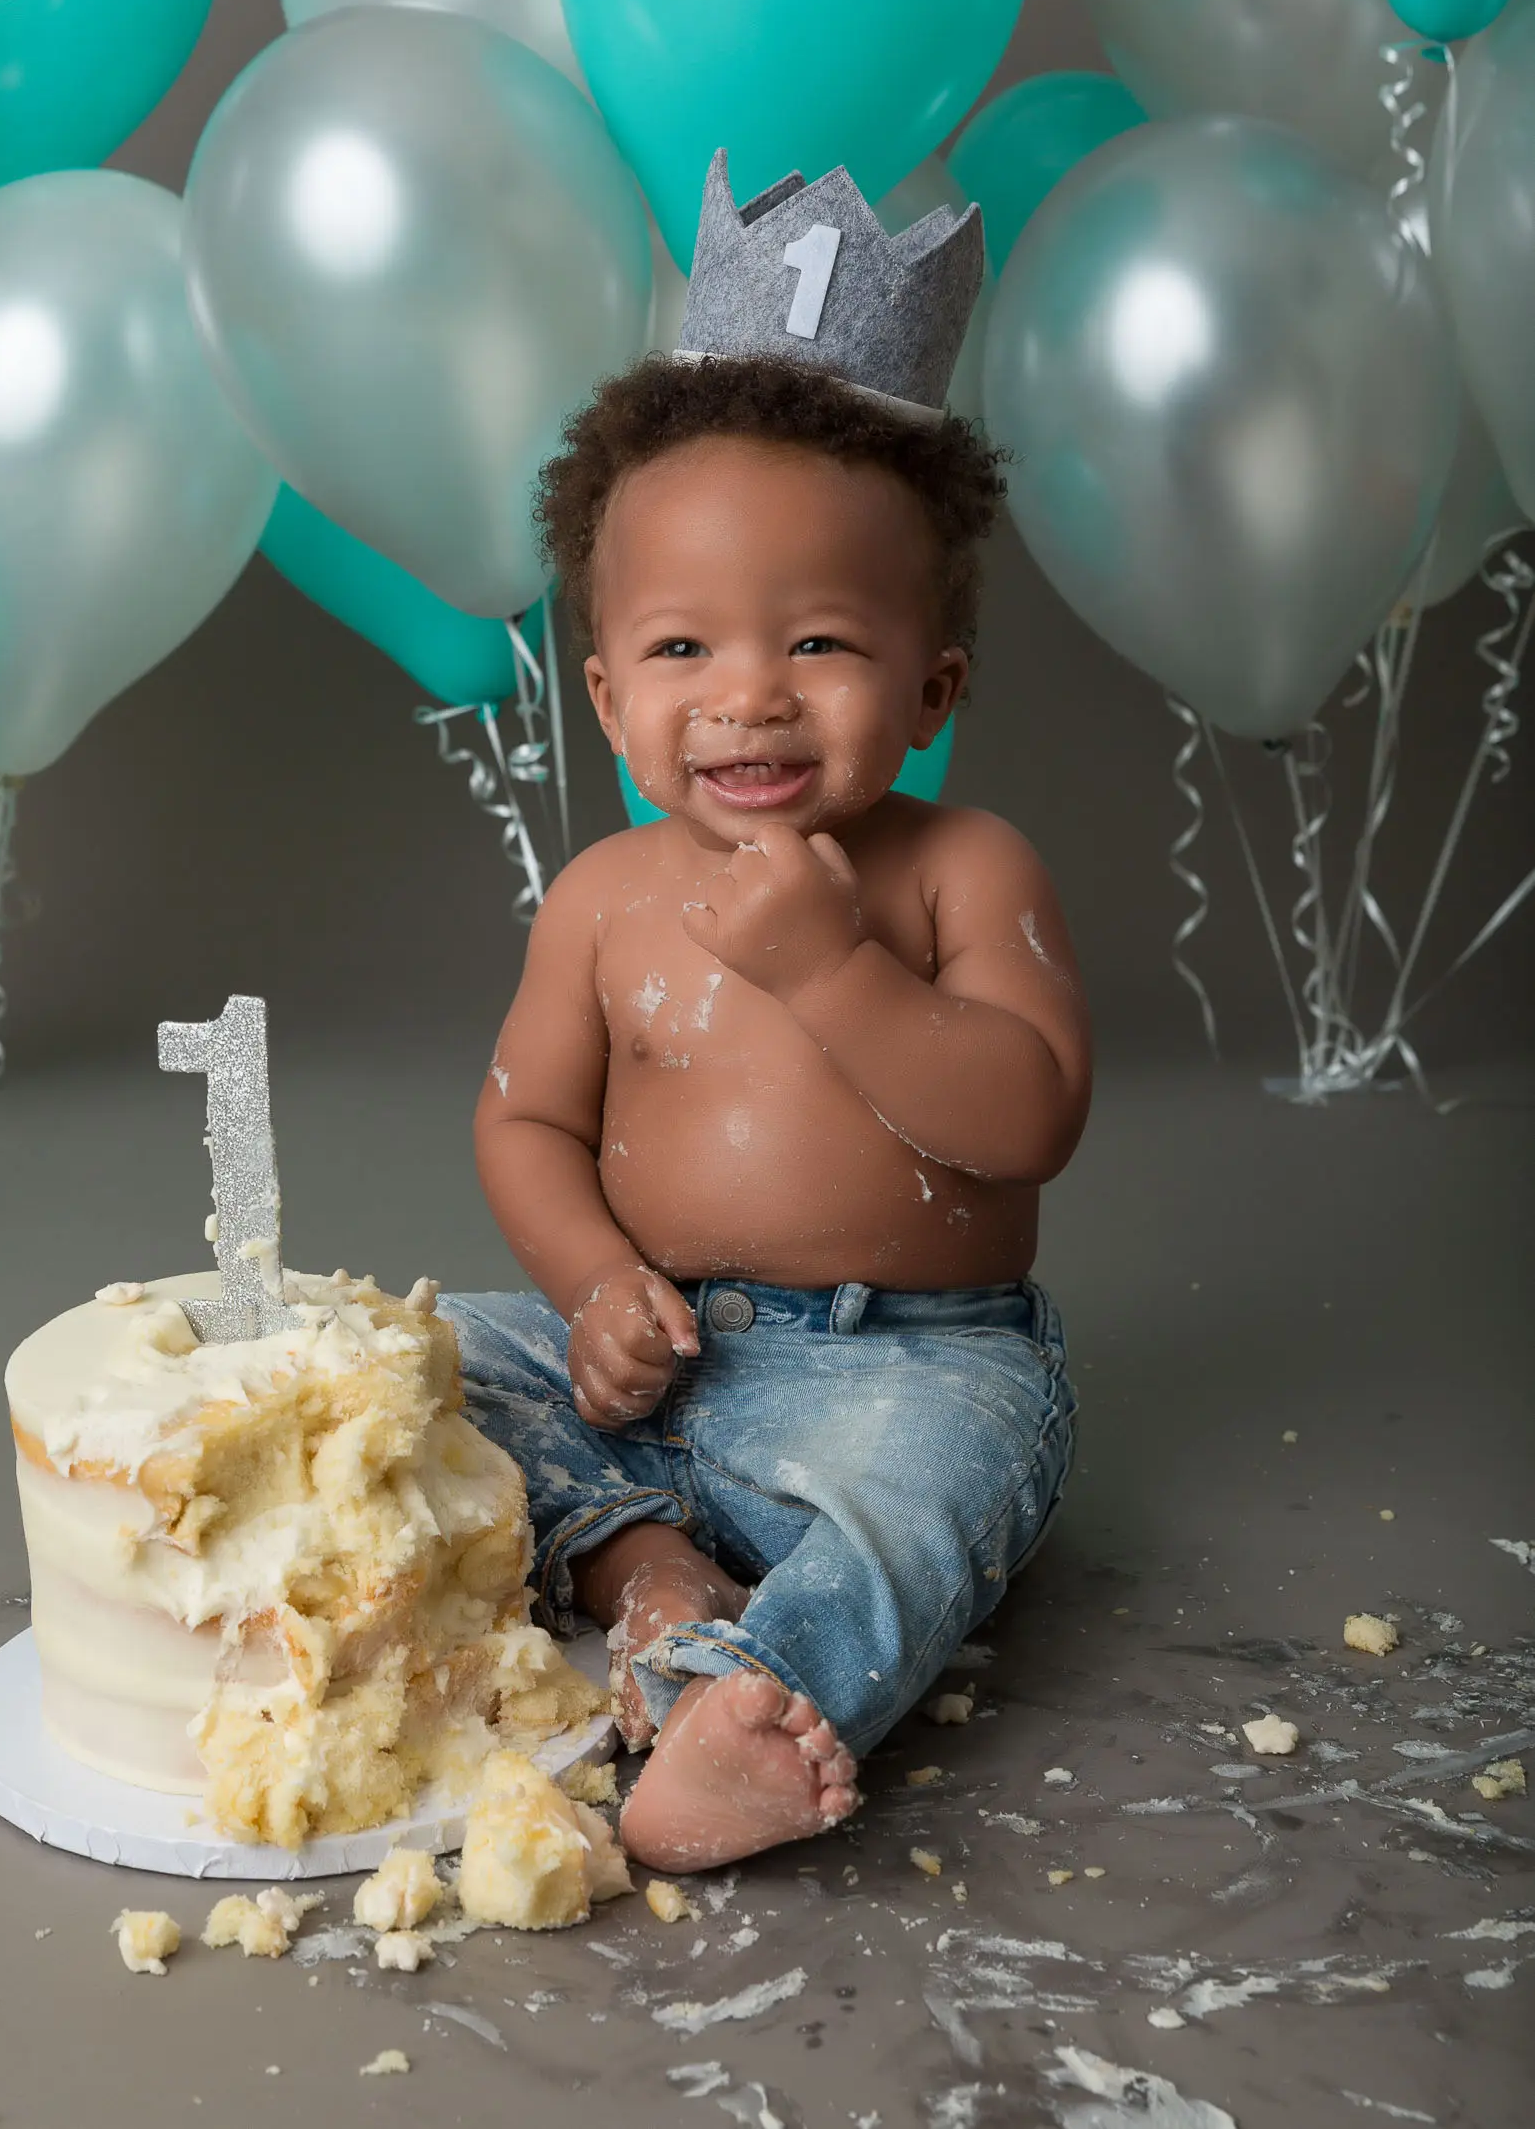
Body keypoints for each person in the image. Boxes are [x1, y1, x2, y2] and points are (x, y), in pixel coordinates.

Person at [442, 159, 1090, 1874]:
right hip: (662, 1354)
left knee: (930, 1503)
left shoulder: (961, 867)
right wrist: (593, 1293)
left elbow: (1030, 1116)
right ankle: (652, 1573)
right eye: (680, 650)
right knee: (430, 1362)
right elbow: (523, 1123)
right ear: (604, 688)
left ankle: (748, 1697)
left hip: (909, 1362)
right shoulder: (599, 900)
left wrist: (833, 973)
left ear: (931, 683)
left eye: (818, 641)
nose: (747, 697)